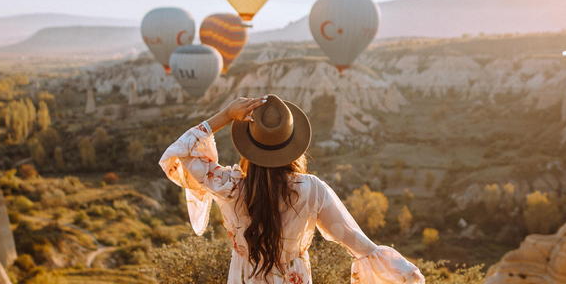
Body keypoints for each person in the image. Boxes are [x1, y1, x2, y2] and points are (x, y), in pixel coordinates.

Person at [160, 94, 424, 284]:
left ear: (248, 146)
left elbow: (178, 153)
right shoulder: (312, 189)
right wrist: (404, 272)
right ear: (293, 145)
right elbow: (357, 243)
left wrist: (227, 115)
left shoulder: (228, 186)